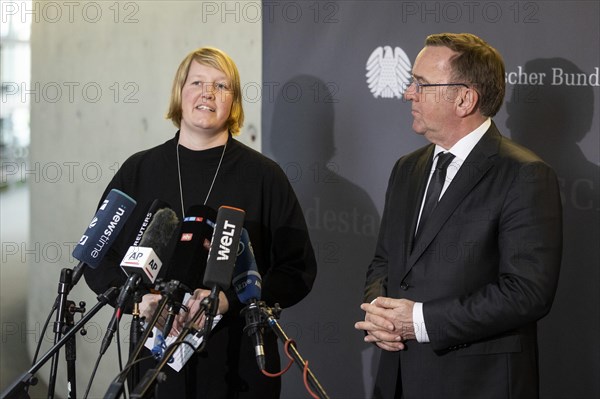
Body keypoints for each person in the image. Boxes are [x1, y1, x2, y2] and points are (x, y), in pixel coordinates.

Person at [84, 47, 317, 398]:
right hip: (153, 363)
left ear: (234, 102)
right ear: (180, 93)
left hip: (238, 364)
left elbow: (297, 270)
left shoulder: (264, 177)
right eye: (197, 82)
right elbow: (96, 260)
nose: (208, 93)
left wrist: (230, 300)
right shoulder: (139, 171)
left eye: (221, 86)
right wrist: (139, 302)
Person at [354, 33, 562, 399]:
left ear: (465, 98)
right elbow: (385, 261)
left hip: (477, 382)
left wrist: (418, 322)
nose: (408, 94)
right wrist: (381, 311)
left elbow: (527, 292)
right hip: (398, 378)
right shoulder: (407, 168)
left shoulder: (524, 174)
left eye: (421, 84)